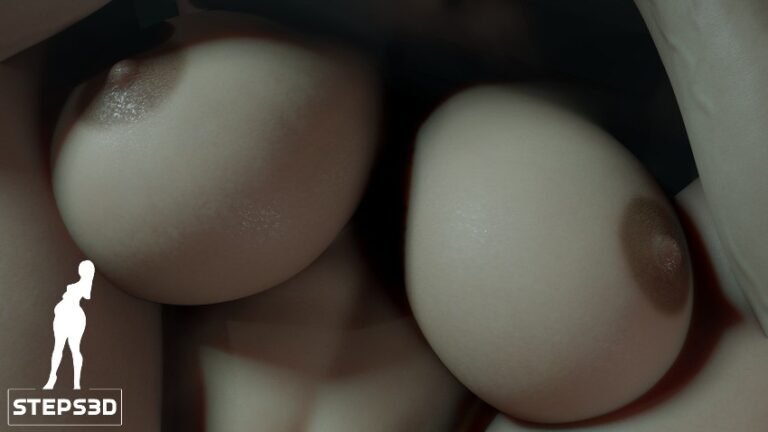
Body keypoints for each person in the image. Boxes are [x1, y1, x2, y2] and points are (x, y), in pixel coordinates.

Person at [43, 260, 95, 390]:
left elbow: (87, 295)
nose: (80, 270)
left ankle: (76, 383)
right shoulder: (78, 284)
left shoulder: (84, 285)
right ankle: (52, 377)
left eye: (83, 268)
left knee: (74, 348)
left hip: (73, 318)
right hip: (62, 317)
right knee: (58, 348)